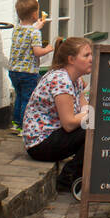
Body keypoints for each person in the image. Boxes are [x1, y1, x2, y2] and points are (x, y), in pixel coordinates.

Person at [23, 37, 93, 191]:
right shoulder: (61, 81)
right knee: (92, 131)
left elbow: (85, 108)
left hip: (54, 134)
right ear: (71, 59)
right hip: (40, 143)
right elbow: (69, 123)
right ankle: (68, 178)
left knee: (94, 127)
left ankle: (80, 174)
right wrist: (93, 115)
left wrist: (90, 115)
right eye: (86, 55)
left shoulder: (75, 79)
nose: (91, 59)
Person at [7, 0, 53, 136]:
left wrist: (36, 26)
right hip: (28, 72)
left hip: (14, 70)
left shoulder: (17, 29)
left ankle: (16, 124)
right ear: (34, 14)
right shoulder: (35, 33)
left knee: (19, 96)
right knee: (28, 98)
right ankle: (24, 126)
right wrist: (49, 49)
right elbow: (37, 52)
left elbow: (27, 34)